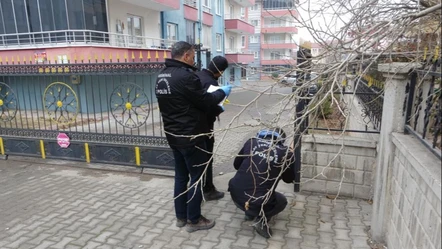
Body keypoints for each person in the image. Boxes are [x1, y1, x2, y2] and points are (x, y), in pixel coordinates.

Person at [155, 41, 232, 233]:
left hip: (173, 135)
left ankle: (181, 216)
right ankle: (194, 219)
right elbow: (205, 101)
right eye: (193, 55)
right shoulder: (186, 77)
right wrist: (222, 92)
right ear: (187, 55)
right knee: (196, 178)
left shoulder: (162, 76)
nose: (194, 59)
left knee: (181, 177)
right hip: (191, 137)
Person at [228, 127, 295, 238]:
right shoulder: (286, 153)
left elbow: (236, 165)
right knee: (281, 201)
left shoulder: (251, 142)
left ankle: (249, 213)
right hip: (257, 200)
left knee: (249, 187)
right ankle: (260, 220)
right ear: (281, 140)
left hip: (235, 193)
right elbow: (289, 179)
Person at [195, 56, 230, 201]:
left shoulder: (196, 75)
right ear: (220, 71)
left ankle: (199, 186)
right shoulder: (211, 82)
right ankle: (208, 189)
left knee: (197, 159)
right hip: (205, 126)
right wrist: (220, 108)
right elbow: (209, 106)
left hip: (192, 126)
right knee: (207, 158)